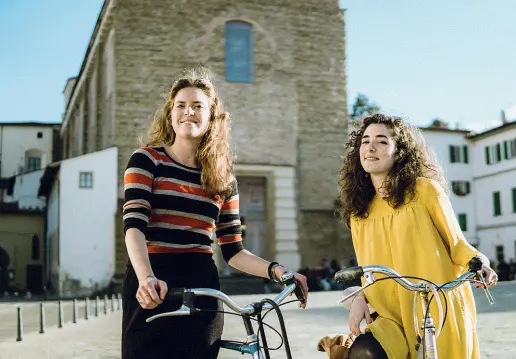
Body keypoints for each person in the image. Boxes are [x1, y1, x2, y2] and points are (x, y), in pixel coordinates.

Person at [121, 69, 308, 359]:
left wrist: (278, 272)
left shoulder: (222, 178)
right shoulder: (147, 160)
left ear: (212, 117)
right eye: (181, 105)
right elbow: (134, 226)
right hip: (153, 282)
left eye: (198, 106)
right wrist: (146, 278)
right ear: (171, 113)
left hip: (202, 285)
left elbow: (233, 250)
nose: (188, 112)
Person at [338, 114, 497, 359]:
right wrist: (360, 296)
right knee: (363, 352)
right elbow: (365, 269)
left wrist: (480, 264)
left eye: (381, 141)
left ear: (399, 152)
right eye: (364, 141)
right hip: (389, 313)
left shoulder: (424, 191)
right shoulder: (359, 211)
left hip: (435, 306)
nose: (370, 147)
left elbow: (457, 244)